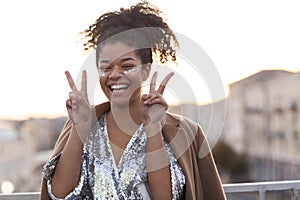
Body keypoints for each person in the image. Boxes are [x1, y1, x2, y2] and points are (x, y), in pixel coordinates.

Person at [40, 1, 226, 199]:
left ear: (146, 70)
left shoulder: (188, 134)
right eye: (106, 67)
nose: (115, 74)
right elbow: (59, 194)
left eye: (127, 65)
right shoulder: (80, 125)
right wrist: (81, 128)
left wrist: (153, 127)